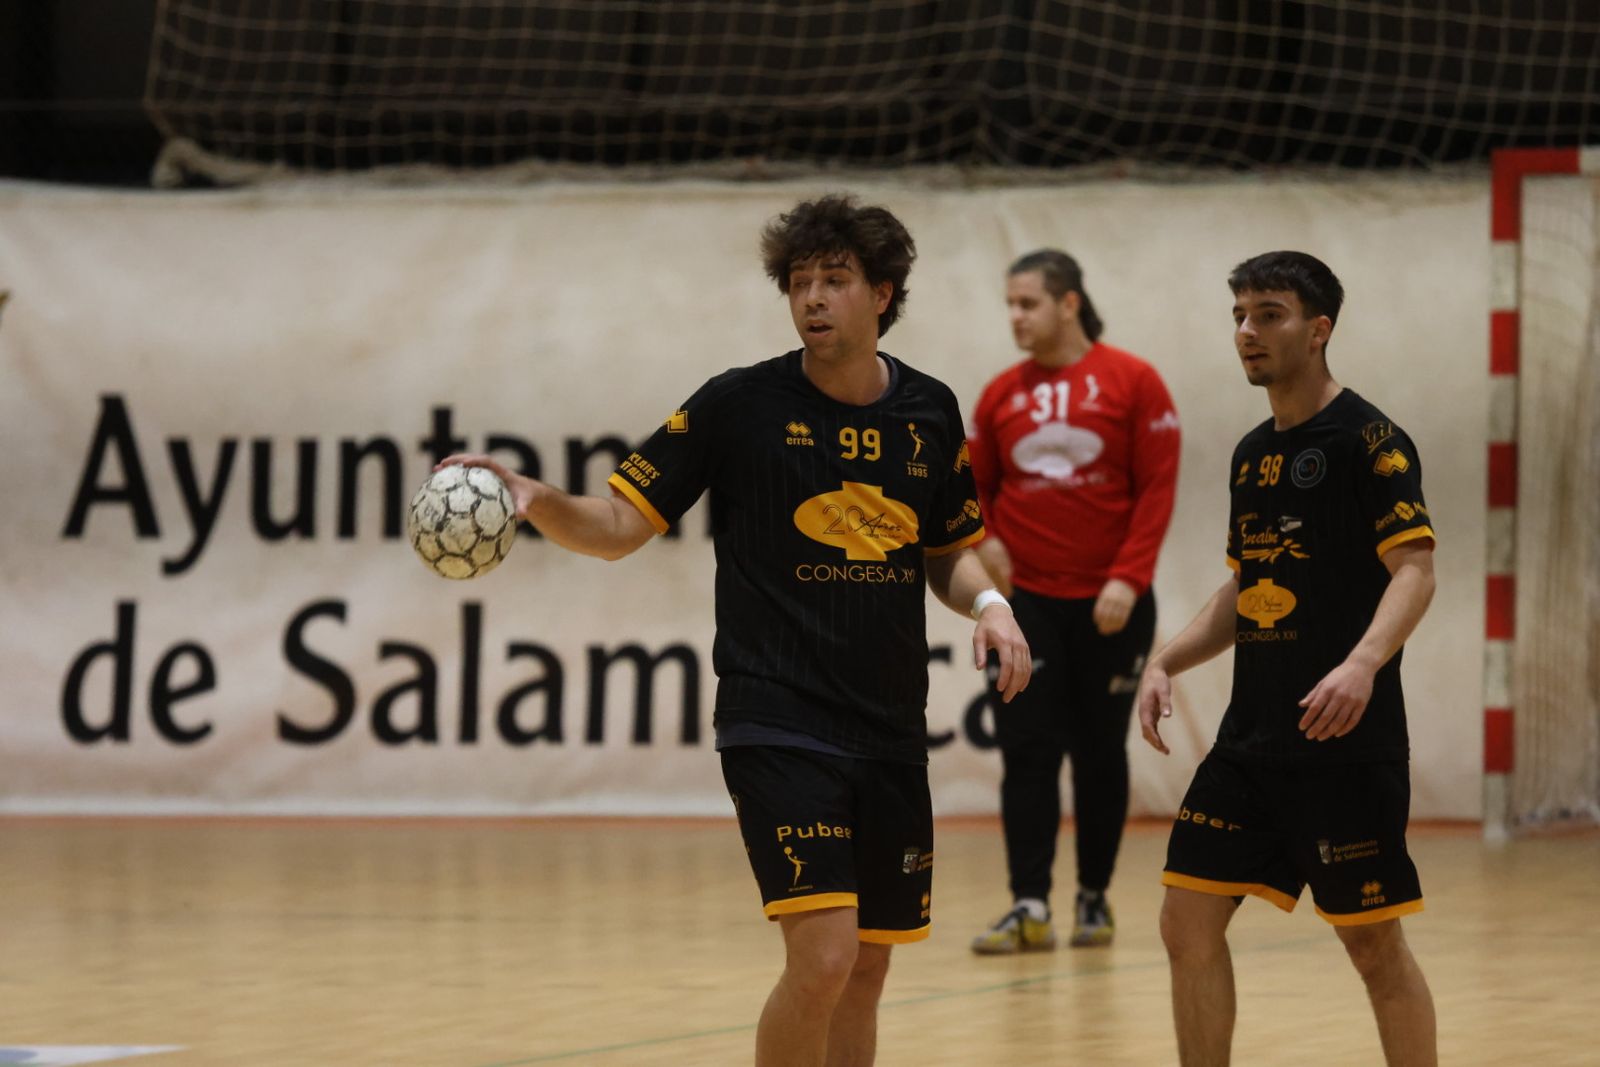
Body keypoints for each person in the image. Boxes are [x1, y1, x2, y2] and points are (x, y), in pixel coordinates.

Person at [439, 193, 1031, 1067]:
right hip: (777, 717)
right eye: (799, 283)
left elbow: (948, 553)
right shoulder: (738, 405)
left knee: (867, 965)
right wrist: (533, 497)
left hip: (891, 727)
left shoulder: (931, 412)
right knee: (823, 955)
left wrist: (992, 605)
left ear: (884, 292)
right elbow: (615, 526)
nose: (813, 299)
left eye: (835, 280)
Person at [1137, 251, 1438, 1066]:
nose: (1247, 332)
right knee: (1184, 920)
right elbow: (1250, 583)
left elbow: (1414, 571)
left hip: (1344, 744)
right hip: (1250, 744)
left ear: (1319, 328)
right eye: (1239, 315)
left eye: (1268, 314)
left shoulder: (1371, 443)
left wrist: (1363, 662)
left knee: (1374, 947)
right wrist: (1167, 658)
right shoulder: (1251, 453)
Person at [966, 250, 1181, 953]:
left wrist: (1129, 574)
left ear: (1068, 303)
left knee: (1098, 750)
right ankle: (1028, 903)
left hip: (1110, 604)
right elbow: (975, 488)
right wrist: (989, 542)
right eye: (1010, 305)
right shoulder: (1000, 393)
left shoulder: (1134, 380)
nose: (1015, 318)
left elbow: (1156, 486)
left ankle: (1094, 896)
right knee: (1026, 751)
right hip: (1027, 605)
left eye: (1027, 303)